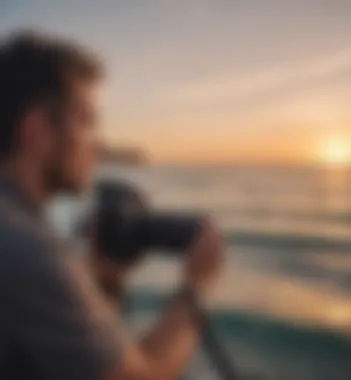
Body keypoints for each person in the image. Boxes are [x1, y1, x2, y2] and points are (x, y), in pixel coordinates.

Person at [0, 31, 224, 380]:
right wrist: (197, 285)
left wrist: (107, 282)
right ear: (37, 129)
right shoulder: (25, 247)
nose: (97, 142)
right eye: (87, 121)